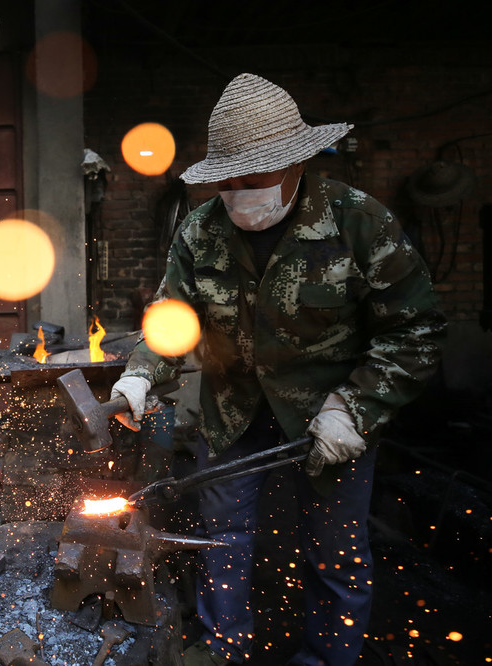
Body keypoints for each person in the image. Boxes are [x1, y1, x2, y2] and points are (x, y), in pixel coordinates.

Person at [110, 73, 445, 666]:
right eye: (227, 181)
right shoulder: (199, 232)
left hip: (331, 412)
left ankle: (328, 658)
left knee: (334, 552)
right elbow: (171, 320)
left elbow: (414, 331)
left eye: (254, 178)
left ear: (298, 162)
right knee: (222, 543)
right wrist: (140, 371)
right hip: (231, 411)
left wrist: (356, 409)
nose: (238, 193)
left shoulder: (358, 222)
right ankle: (224, 651)